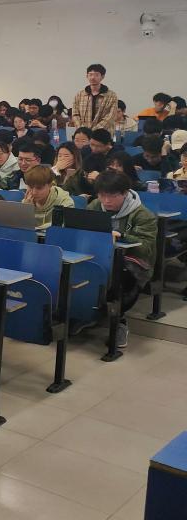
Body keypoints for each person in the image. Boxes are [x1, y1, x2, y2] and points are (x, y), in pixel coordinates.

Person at [88, 170, 158, 348]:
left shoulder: (143, 215)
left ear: (125, 193)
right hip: (100, 256)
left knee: (121, 274)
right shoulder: (95, 206)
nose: (106, 201)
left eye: (112, 196)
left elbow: (146, 248)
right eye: (102, 195)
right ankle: (85, 313)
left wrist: (122, 236)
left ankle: (119, 321)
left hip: (135, 262)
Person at [70, 63, 118, 134]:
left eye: (96, 75)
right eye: (90, 74)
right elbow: (75, 114)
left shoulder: (111, 95)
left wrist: (93, 131)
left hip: (103, 134)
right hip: (84, 134)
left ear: (102, 77)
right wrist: (83, 130)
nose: (93, 77)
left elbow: (110, 117)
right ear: (87, 76)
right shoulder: (79, 95)